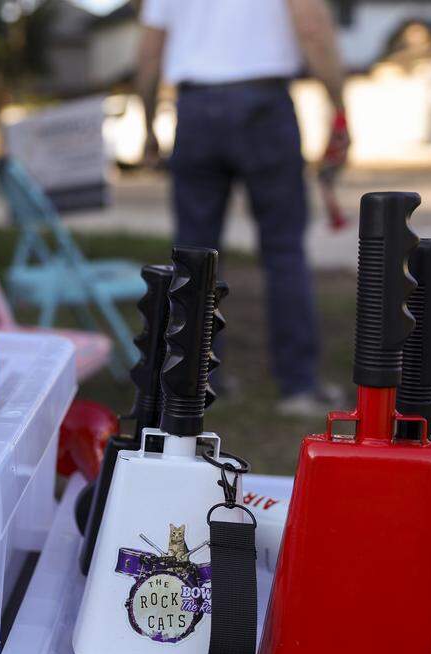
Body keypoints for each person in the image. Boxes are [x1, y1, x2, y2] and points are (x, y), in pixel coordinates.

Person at [137, 0, 350, 416]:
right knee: (284, 250)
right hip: (264, 106)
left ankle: (193, 385)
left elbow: (148, 52)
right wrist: (339, 107)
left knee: (194, 258)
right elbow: (312, 26)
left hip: (195, 110)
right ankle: (298, 387)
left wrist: (147, 126)